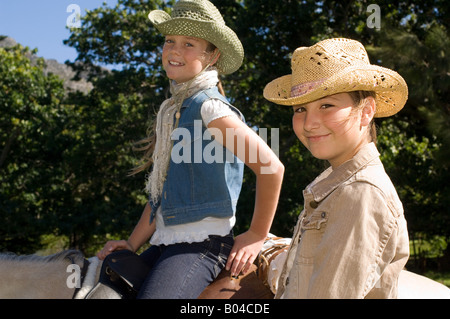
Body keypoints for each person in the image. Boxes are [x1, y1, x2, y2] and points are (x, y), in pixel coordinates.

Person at [97, 0, 284, 299]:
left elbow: (271, 167)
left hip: (202, 245)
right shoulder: (173, 110)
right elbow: (161, 195)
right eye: (170, 40)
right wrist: (132, 244)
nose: (174, 50)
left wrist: (256, 234)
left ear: (213, 56)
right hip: (165, 243)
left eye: (188, 44)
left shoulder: (209, 108)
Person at [263, 38, 410, 298]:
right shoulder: (336, 187)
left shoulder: (360, 194)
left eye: (326, 105)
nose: (309, 123)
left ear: (366, 112)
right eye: (300, 109)